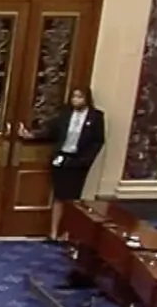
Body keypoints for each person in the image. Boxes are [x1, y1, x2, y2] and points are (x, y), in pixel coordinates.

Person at [19, 86, 105, 239]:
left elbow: (98, 141)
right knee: (58, 196)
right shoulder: (65, 115)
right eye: (74, 97)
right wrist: (31, 135)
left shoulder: (96, 117)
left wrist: (85, 160)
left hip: (78, 163)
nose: (76, 100)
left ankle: (68, 234)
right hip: (61, 159)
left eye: (79, 97)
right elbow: (50, 131)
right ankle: (53, 233)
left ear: (87, 98)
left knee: (73, 200)